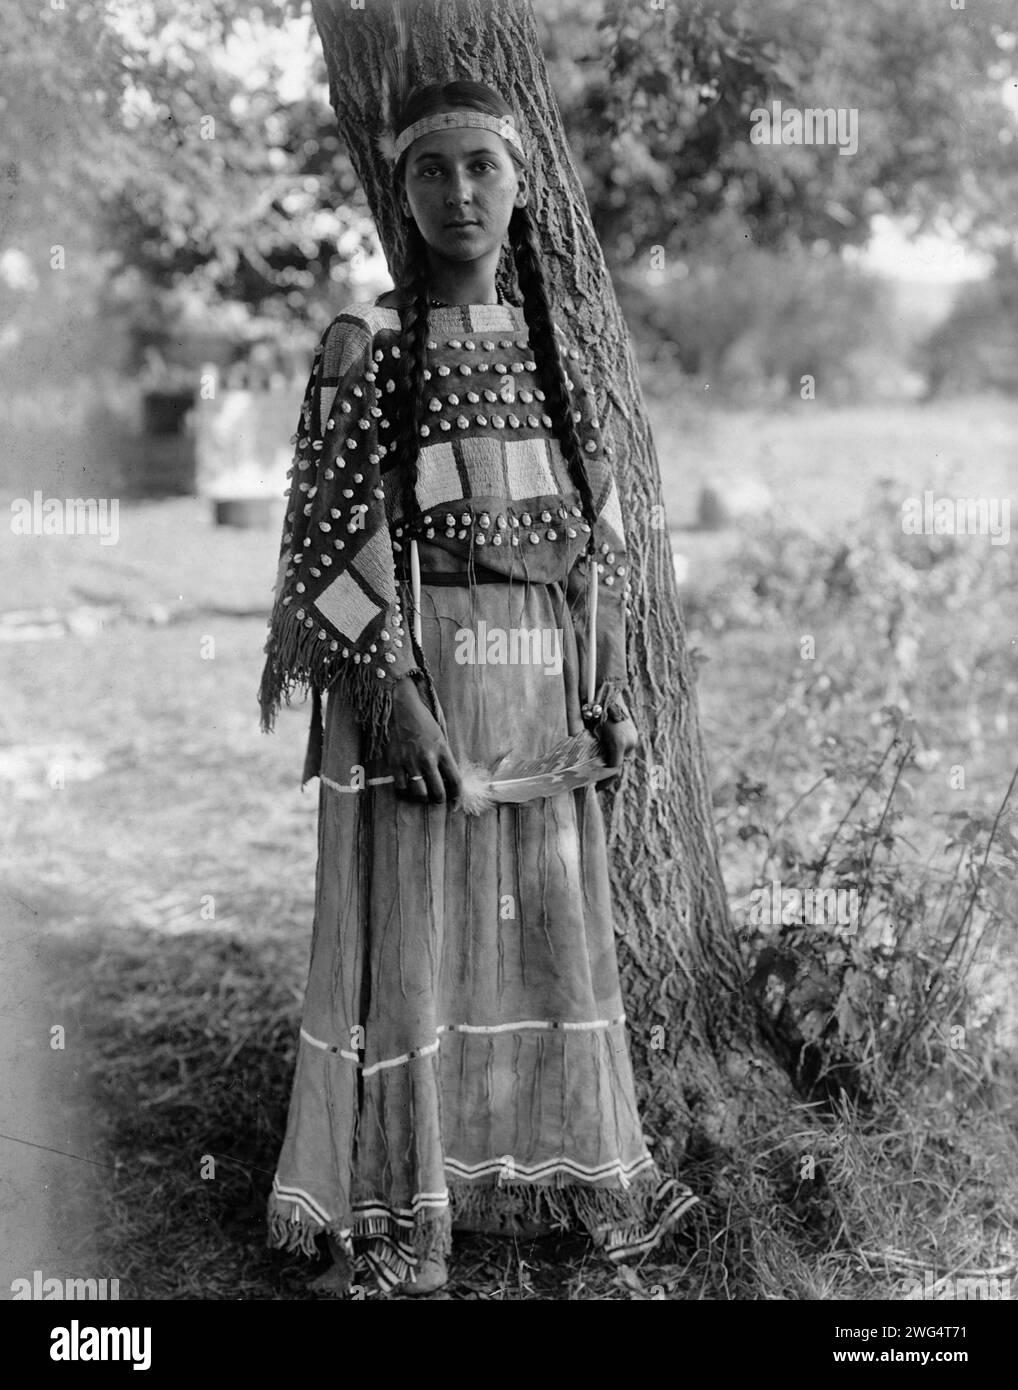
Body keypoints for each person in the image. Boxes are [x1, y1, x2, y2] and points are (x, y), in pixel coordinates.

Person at [259, 79, 695, 1297]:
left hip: (541, 697)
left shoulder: (559, 369)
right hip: (429, 684)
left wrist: (607, 696)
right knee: (422, 931)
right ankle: (411, 1207)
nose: (460, 191)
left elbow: (594, 562)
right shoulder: (368, 349)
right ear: (401, 194)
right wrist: (395, 701)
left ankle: (547, 1174)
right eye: (433, 170)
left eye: (482, 168)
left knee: (546, 925)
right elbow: (327, 561)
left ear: (521, 186)